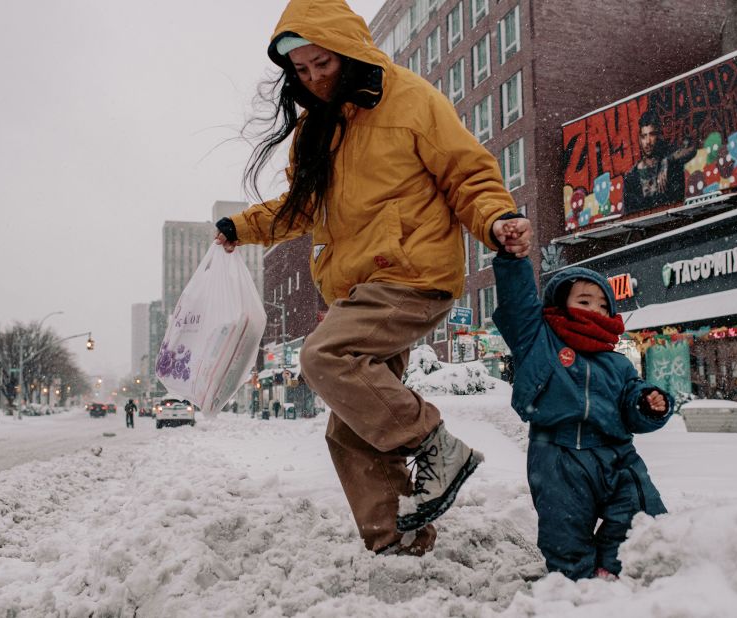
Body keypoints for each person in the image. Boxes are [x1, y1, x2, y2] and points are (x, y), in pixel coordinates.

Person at [214, 0, 532, 556]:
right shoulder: (314, 132)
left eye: (322, 64)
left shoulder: (410, 100)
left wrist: (497, 219)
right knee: (352, 428)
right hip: (358, 290)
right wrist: (241, 227)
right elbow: (301, 209)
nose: (313, 79)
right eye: (302, 71)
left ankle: (436, 444)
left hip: (411, 272)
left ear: (347, 52)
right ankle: (400, 546)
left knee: (324, 357)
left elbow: (467, 171)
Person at [492, 219, 672, 580]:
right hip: (558, 457)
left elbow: (630, 406)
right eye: (584, 300)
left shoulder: (617, 363)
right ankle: (579, 588)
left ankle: (613, 570)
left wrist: (646, 404)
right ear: (562, 304)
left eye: (602, 305)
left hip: (616, 455)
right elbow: (518, 302)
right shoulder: (537, 340)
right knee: (565, 533)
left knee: (642, 517)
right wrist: (513, 259)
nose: (594, 309)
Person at [623, 111, 695, 214]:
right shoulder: (631, 177)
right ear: (640, 139)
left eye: (652, 135)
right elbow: (629, 216)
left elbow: (692, 148)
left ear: (659, 135)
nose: (648, 141)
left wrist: (667, 161)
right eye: (644, 136)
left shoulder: (671, 166)